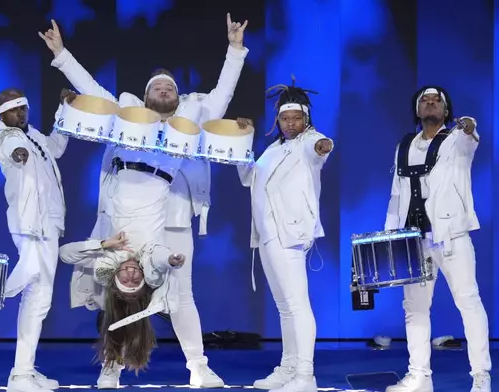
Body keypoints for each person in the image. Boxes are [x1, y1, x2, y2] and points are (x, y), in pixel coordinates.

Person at [39, 13, 248, 388]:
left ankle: (198, 366)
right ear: (146, 95)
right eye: (158, 87)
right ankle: (112, 364)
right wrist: (61, 54)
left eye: (170, 87)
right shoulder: (126, 118)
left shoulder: (190, 120)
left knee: (182, 295)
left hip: (175, 217)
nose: (164, 90)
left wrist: (234, 50)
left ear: (178, 97)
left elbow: (221, 97)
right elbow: (93, 93)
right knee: (112, 294)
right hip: (122, 217)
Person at [383, 86, 490, 392]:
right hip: (413, 238)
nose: (430, 104)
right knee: (414, 308)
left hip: (451, 234)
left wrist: (467, 124)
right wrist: (392, 236)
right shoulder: (405, 145)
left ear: (446, 110)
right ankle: (419, 376)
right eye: (425, 101)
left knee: (468, 302)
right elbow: (395, 195)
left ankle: (481, 376)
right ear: (417, 111)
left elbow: (471, 131)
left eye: (436, 101)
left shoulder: (458, 138)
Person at [237, 81, 333, 392]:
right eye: (285, 118)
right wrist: (241, 141)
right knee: (284, 306)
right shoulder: (272, 149)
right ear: (277, 120)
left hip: (289, 232)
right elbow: (247, 177)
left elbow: (320, 148)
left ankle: (305, 375)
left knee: (297, 303)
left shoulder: (310, 141)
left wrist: (322, 146)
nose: (291, 124)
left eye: (296, 118)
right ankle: (289, 367)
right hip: (266, 234)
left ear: (306, 119)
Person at [0, 88, 73, 392]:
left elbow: (58, 147)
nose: (21, 114)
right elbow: (14, 148)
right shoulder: (6, 138)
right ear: (2, 115)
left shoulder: (36, 135)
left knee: (40, 298)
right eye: (14, 110)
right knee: (34, 290)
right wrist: (19, 153)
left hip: (49, 222)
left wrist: (64, 110)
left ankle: (23, 370)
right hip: (32, 224)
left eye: (23, 108)